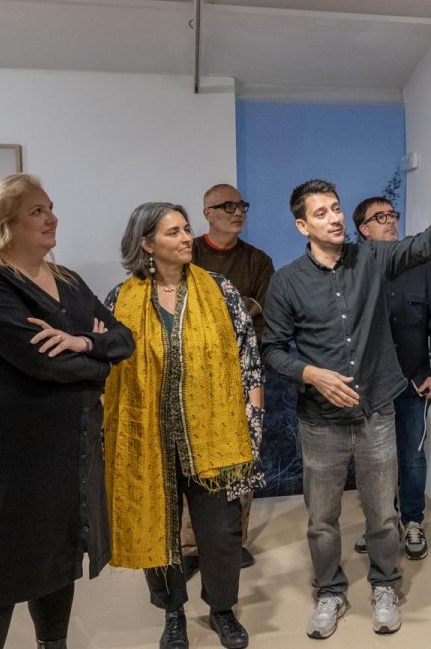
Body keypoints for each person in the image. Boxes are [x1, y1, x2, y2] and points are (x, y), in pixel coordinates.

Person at [261, 171, 431, 639]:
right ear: (302, 226)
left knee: (382, 514)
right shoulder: (286, 283)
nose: (335, 218)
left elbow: (421, 247)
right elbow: (272, 349)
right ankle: (329, 593)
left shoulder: (373, 258)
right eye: (322, 213)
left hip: (377, 410)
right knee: (322, 519)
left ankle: (384, 585)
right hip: (320, 421)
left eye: (337, 208)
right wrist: (311, 373)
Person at [0, 174, 134, 649]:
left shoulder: (66, 280)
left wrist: (84, 342)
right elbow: (44, 363)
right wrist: (97, 362)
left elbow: (123, 339)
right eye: (36, 211)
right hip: (4, 454)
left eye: (50, 207)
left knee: (57, 565)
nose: (53, 218)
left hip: (66, 450)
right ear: (4, 223)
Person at [103, 202, 263, 649]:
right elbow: (107, 367)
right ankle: (173, 612)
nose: (186, 238)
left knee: (221, 532)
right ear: (147, 244)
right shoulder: (122, 298)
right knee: (158, 528)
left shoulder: (220, 289)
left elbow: (247, 357)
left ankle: (222, 610)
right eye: (173, 232)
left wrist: (254, 421)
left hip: (214, 434)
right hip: (148, 438)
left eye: (187, 229)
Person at [351, 196, 431, 560]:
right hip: (372, 386)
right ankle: (380, 523)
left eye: (393, 215)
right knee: (374, 460)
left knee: (411, 456)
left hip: (413, 381)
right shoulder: (354, 269)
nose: (391, 221)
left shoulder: (421, 264)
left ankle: (411, 522)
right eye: (380, 217)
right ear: (363, 229)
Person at [188, 183, 274, 571]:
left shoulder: (258, 261)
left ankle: (233, 541)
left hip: (243, 372)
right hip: (192, 373)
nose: (237, 212)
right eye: (226, 206)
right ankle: (190, 547)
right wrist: (237, 307)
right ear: (207, 212)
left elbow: (262, 314)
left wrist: (222, 311)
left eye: (241, 205)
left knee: (242, 457)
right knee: (192, 460)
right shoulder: (187, 252)